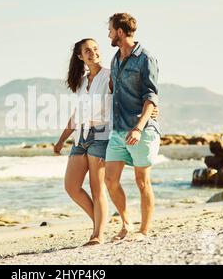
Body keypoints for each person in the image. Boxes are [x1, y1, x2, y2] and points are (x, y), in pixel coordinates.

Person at [105, 13, 161, 242]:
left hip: (140, 130)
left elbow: (151, 96)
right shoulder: (115, 58)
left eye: (110, 29)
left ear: (119, 31)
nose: (108, 34)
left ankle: (144, 230)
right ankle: (126, 223)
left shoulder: (145, 58)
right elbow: (113, 88)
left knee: (142, 181)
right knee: (110, 180)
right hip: (118, 130)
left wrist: (139, 127)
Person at [54, 38, 111, 246]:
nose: (93, 53)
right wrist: (61, 140)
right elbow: (77, 114)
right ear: (80, 56)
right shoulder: (81, 82)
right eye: (87, 51)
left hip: (101, 135)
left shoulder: (109, 75)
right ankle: (99, 221)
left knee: (97, 188)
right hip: (80, 137)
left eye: (95, 49)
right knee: (71, 186)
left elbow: (126, 97)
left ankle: (98, 234)